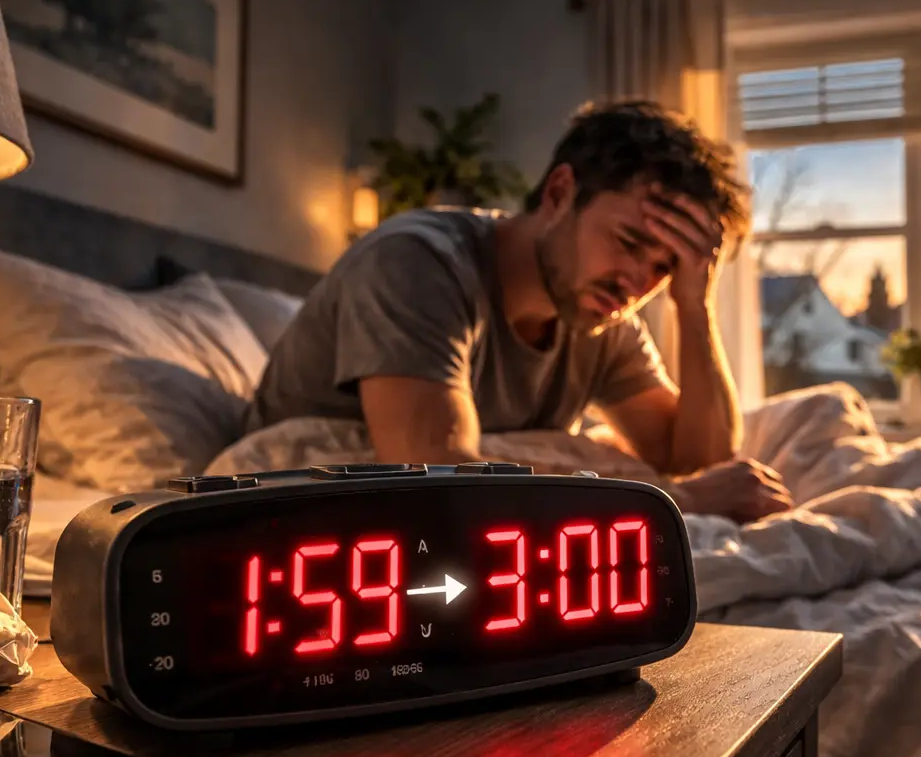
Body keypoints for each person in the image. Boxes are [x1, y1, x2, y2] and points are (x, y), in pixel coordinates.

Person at [247, 100, 792, 523]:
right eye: (628, 240)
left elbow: (698, 456)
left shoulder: (601, 314)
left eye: (664, 267)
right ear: (559, 193)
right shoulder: (417, 262)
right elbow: (437, 481)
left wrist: (694, 305)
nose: (637, 282)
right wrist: (681, 500)